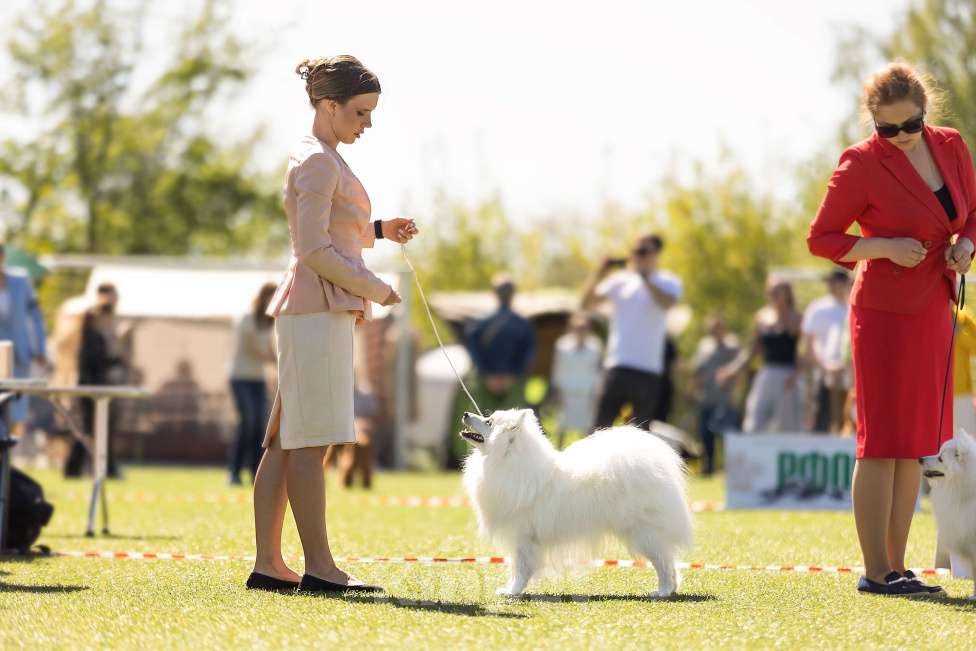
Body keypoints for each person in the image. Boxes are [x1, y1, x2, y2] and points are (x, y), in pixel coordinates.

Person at [249, 55, 418, 594]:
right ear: (329, 106)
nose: (367, 124)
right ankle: (320, 568)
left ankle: (269, 565)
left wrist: (379, 230)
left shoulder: (318, 156)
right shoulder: (319, 160)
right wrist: (376, 288)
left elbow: (334, 231)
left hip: (312, 308)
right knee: (310, 440)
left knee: (286, 439)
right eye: (361, 112)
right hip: (316, 308)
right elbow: (313, 248)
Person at [807, 62, 976, 596]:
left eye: (911, 125)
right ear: (872, 123)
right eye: (888, 129)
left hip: (932, 304)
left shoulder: (950, 145)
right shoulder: (859, 163)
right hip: (880, 313)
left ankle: (898, 568)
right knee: (880, 443)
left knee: (915, 443)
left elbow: (973, 214)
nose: (901, 137)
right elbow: (822, 237)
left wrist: (966, 245)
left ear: (926, 112)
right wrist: (882, 247)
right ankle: (875, 570)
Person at [582, 234, 682, 430]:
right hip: (616, 367)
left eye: (644, 251)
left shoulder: (667, 281)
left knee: (640, 435)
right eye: (636, 251)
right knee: (599, 430)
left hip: (648, 371)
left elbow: (667, 303)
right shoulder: (619, 281)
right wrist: (600, 273)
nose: (638, 256)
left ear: (657, 253)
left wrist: (645, 277)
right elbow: (586, 304)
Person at [718, 278, 803, 433]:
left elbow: (802, 351)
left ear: (787, 293)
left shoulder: (796, 318)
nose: (774, 294)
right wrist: (734, 370)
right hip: (766, 372)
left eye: (778, 290)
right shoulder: (762, 317)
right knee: (755, 419)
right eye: (771, 290)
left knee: (787, 424)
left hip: (787, 374)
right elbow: (753, 350)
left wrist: (796, 374)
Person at [64, 284, 127, 478]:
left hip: (105, 384)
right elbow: (89, 357)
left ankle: (107, 467)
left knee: (104, 428)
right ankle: (74, 468)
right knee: (86, 427)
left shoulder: (113, 325)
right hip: (89, 384)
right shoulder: (89, 321)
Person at [227, 283, 277, 485]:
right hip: (240, 377)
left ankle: (255, 472)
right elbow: (257, 349)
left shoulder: (270, 322)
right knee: (248, 422)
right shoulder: (246, 320)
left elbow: (271, 350)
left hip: (258, 379)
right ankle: (235, 471)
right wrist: (280, 362)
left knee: (259, 426)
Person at [463, 273, 536, 411]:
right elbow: (528, 354)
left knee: (484, 424)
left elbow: (473, 351)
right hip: (513, 381)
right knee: (513, 426)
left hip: (485, 380)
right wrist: (510, 375)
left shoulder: (480, 323)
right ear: (513, 294)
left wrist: (489, 374)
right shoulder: (523, 324)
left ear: (495, 294)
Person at [0, 242, 47, 435]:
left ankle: (8, 458)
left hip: (19, 355)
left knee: (17, 410)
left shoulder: (21, 280)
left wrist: (40, 348)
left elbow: (35, 317)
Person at [801, 270, 853, 433]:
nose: (831, 286)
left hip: (850, 376)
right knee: (821, 418)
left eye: (835, 282)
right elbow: (809, 343)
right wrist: (825, 367)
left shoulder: (853, 307)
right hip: (823, 374)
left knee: (848, 418)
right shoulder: (818, 308)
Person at [691, 316, 741, 476]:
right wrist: (694, 388)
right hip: (706, 397)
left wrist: (735, 394)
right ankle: (708, 467)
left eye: (717, 328)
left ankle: (732, 469)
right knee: (706, 435)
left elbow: (738, 372)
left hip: (724, 398)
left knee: (727, 434)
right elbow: (697, 370)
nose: (714, 331)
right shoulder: (704, 346)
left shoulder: (732, 347)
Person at [550, 313, 602, 445]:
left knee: (587, 427)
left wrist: (596, 392)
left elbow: (597, 370)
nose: (581, 332)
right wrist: (558, 391)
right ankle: (558, 449)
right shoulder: (563, 345)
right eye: (578, 328)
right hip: (568, 392)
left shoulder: (595, 346)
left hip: (586, 392)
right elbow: (558, 369)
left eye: (584, 328)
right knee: (562, 425)